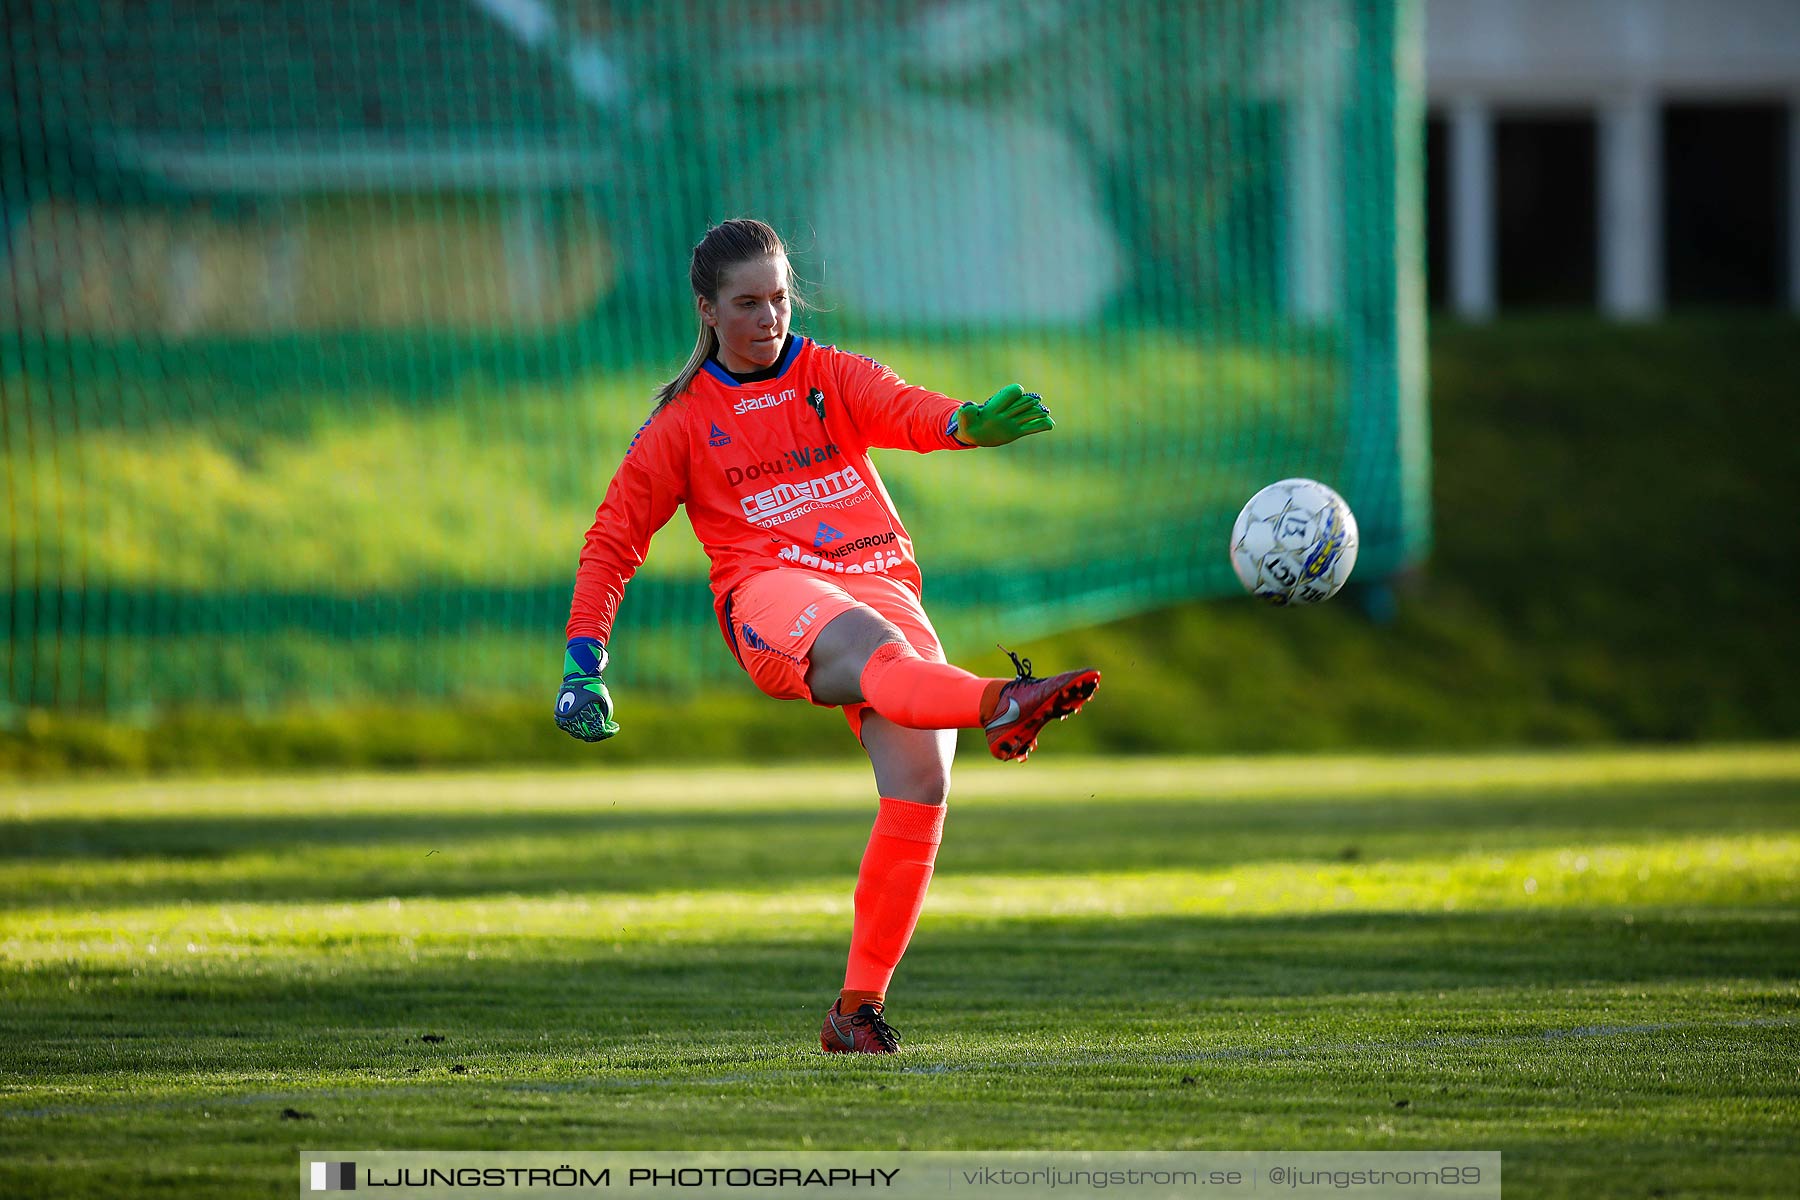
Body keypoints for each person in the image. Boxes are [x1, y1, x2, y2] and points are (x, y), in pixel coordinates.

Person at [556, 218, 1100, 1055]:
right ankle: (1003, 700)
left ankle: (854, 1012)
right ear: (707, 309)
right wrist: (584, 663)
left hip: (878, 577)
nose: (768, 317)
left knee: (920, 781)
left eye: (778, 298)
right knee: (873, 646)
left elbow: (903, 407)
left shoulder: (829, 375)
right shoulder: (681, 422)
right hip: (770, 595)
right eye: (746, 303)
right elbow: (613, 541)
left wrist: (966, 422)